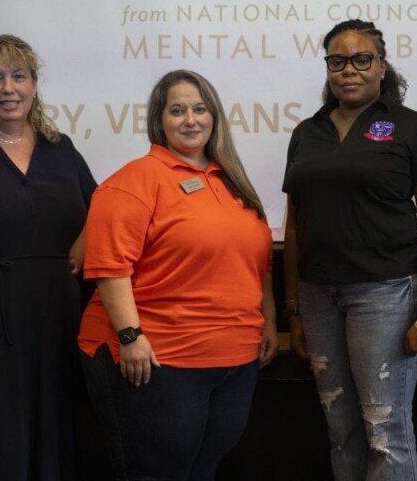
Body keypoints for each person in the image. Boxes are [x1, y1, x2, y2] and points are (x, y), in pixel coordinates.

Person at [78, 69, 278, 481]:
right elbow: (109, 266)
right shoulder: (135, 180)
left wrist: (269, 322)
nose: (191, 119)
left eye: (200, 109)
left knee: (201, 469)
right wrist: (130, 337)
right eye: (178, 110)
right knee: (157, 472)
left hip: (234, 358)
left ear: (214, 116)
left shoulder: (233, 181)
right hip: (156, 358)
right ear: (159, 119)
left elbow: (261, 262)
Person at [283, 19, 417, 480]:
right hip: (319, 298)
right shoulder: (307, 131)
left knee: (386, 431)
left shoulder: (412, 127)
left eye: (362, 59)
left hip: (386, 295)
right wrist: (294, 309)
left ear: (381, 66)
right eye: (337, 61)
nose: (349, 70)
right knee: (341, 429)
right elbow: (294, 227)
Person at [0, 34, 97, 480]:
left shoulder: (60, 147)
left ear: (34, 85)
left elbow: (105, 207)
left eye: (18, 76)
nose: (8, 89)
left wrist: (88, 236)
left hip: (54, 318)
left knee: (53, 434)